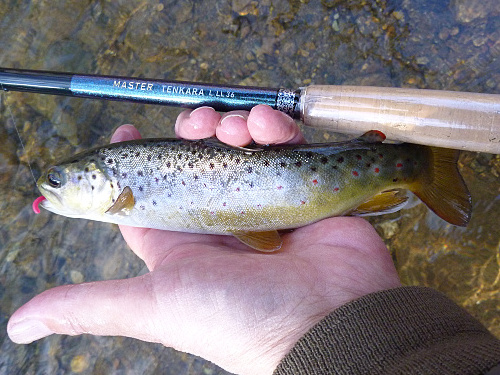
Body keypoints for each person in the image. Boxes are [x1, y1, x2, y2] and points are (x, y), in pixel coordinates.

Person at [8, 105, 500, 374]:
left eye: (59, 180)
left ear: (101, 180)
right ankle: (409, 164)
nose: (50, 188)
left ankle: (415, 165)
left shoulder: (129, 185)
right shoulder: (128, 183)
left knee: (247, 132)